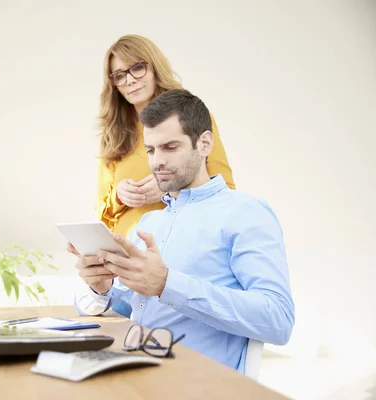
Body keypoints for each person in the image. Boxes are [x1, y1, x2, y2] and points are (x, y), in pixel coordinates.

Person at [72, 89, 295, 373]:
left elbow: (278, 320)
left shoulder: (245, 213)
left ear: (204, 144)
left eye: (170, 147)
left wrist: (167, 284)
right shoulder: (150, 224)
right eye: (151, 150)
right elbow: (137, 306)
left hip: (197, 385)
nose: (157, 161)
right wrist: (100, 287)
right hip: (139, 376)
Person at [94, 34, 236, 317]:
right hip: (122, 271)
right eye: (119, 75)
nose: (130, 80)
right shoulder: (113, 134)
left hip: (170, 270)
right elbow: (102, 213)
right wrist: (119, 195)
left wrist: (169, 188)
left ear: (154, 66)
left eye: (137, 68)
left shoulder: (191, 118)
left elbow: (226, 189)